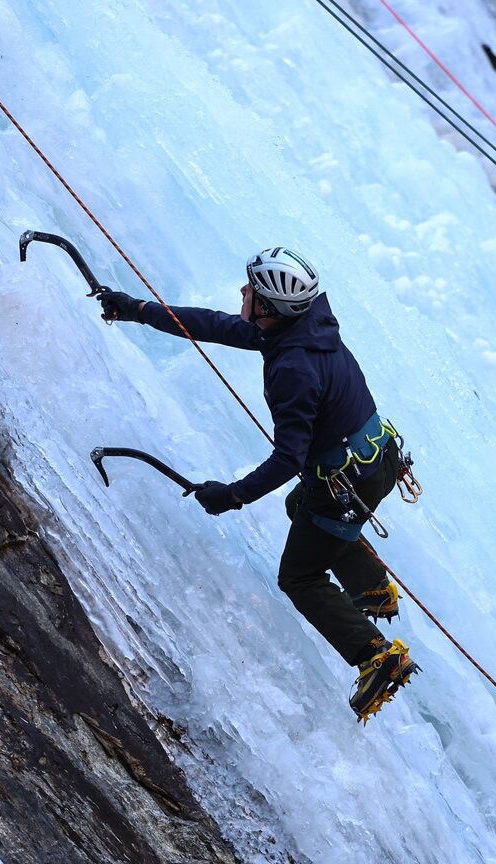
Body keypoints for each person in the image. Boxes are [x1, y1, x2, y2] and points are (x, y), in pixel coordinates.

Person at [98, 247, 418, 721]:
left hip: (346, 482)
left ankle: (376, 656)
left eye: (252, 290)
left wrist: (232, 496)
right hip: (377, 461)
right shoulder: (307, 330)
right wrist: (138, 310)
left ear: (270, 308)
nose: (243, 293)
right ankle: (371, 588)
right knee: (302, 509)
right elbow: (212, 325)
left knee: (300, 577)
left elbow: (288, 456)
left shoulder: (293, 366)